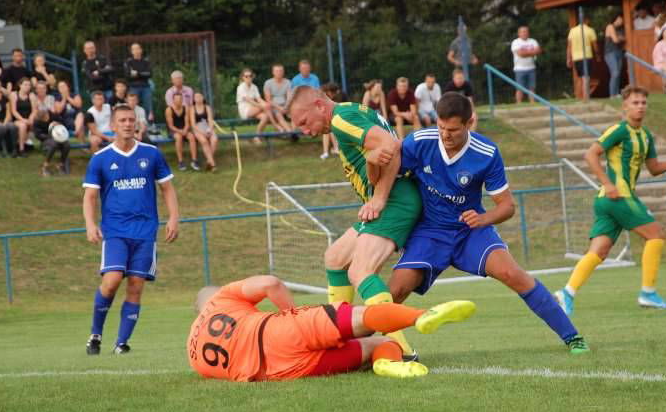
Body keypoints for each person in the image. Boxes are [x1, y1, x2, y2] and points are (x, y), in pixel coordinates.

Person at [389, 93, 588, 354]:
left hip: (470, 232)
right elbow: (388, 173)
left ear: (469, 123)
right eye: (441, 127)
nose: (445, 135)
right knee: (396, 289)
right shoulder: (418, 142)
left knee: (513, 274)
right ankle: (361, 342)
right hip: (430, 232)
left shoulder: (486, 152)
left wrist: (483, 218)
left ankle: (572, 337)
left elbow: (507, 206)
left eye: (453, 130)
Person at [288, 86, 423, 360]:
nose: (305, 130)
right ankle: (336, 339)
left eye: (304, 122)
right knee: (335, 258)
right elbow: (382, 150)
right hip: (394, 197)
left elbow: (391, 146)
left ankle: (401, 350)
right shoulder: (350, 112)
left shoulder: (340, 119)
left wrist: (380, 199)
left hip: (396, 199)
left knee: (360, 271)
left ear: (318, 105)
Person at [555, 85, 666, 314]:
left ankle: (566, 293)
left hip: (610, 201)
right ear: (625, 106)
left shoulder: (646, 135)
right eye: (635, 103)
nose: (640, 107)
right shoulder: (619, 130)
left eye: (643, 103)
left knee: (598, 252)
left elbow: (654, 168)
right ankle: (648, 293)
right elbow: (590, 154)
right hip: (618, 196)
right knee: (656, 234)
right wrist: (608, 184)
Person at [188, 275, 475, 381]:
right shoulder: (223, 296)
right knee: (364, 318)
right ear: (211, 298)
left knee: (371, 346)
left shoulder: (193, 352)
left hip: (278, 371)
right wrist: (293, 315)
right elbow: (269, 284)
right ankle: (420, 316)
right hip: (276, 330)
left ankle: (387, 363)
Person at [83, 104, 179, 356]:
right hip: (115, 231)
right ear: (113, 125)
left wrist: (173, 218)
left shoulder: (152, 154)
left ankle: (121, 343)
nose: (127, 124)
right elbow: (90, 196)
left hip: (145, 231)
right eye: (122, 120)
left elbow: (167, 189)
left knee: (136, 284)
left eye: (131, 119)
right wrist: (91, 224)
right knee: (112, 280)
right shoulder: (101, 159)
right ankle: (95, 335)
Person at [236, 68, 274, 144]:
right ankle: (275, 124)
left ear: (252, 77)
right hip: (245, 110)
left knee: (265, 117)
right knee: (266, 108)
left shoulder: (254, 87)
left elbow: (259, 99)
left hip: (255, 108)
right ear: (243, 77)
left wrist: (266, 104)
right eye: (246, 76)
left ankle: (256, 137)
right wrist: (263, 106)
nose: (248, 78)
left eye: (250, 76)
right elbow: (249, 100)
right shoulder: (240, 87)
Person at [566, 16, 599, 100]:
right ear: (586, 20)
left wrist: (568, 58)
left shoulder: (572, 31)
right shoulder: (590, 30)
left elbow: (569, 46)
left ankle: (578, 95)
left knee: (580, 77)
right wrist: (598, 56)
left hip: (576, 57)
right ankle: (586, 97)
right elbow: (595, 46)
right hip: (587, 56)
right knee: (586, 77)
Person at [166, 91, 197, 170]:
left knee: (191, 137)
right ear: (173, 100)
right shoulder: (169, 110)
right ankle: (181, 161)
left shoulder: (186, 108)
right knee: (178, 137)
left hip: (184, 129)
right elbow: (170, 126)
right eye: (176, 99)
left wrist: (185, 129)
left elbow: (187, 122)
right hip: (173, 130)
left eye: (180, 99)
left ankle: (194, 160)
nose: (178, 101)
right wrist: (180, 131)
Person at [34, 108, 71, 176]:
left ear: (47, 114)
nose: (46, 120)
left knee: (67, 145)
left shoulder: (54, 116)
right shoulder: (37, 121)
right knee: (54, 144)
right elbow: (37, 135)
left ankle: (61, 165)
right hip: (46, 140)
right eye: (43, 119)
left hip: (60, 137)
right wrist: (49, 137)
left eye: (46, 117)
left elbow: (64, 124)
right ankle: (45, 166)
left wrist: (59, 123)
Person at [188, 91, 218, 171]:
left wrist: (210, 130)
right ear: (194, 99)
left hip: (207, 127)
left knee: (214, 140)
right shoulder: (192, 109)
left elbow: (210, 120)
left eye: (200, 96)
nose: (198, 98)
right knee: (204, 141)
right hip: (197, 128)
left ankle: (209, 161)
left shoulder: (207, 107)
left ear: (203, 98)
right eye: (196, 97)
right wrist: (202, 133)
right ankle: (213, 164)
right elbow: (193, 124)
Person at [124, 43, 153, 123]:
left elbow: (149, 74)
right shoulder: (128, 62)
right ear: (132, 51)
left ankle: (147, 125)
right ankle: (132, 123)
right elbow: (128, 75)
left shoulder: (146, 61)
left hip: (145, 87)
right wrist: (142, 74)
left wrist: (137, 73)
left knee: (147, 107)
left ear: (141, 50)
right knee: (132, 106)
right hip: (133, 87)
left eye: (138, 48)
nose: (136, 51)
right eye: (134, 49)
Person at [511, 26, 541, 102]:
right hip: (519, 69)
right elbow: (520, 54)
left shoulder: (533, 41)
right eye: (523, 31)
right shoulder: (515, 42)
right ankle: (518, 104)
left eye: (526, 31)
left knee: (532, 87)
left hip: (531, 68)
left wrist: (526, 52)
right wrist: (531, 52)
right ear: (519, 33)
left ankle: (532, 103)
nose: (525, 33)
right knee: (519, 88)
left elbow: (538, 51)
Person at [10, 77, 36, 157]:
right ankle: (21, 149)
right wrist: (23, 120)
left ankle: (22, 146)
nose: (27, 87)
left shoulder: (31, 95)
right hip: (18, 118)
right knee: (22, 125)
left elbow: (34, 110)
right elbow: (14, 111)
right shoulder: (14, 95)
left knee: (29, 124)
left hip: (28, 118)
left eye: (29, 85)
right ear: (20, 85)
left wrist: (31, 118)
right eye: (25, 85)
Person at [263, 64, 293, 132]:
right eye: (277, 71)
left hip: (285, 106)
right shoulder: (268, 83)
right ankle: (290, 132)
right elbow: (268, 100)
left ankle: (292, 131)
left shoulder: (288, 82)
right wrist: (279, 108)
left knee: (294, 112)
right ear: (273, 72)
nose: (279, 73)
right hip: (274, 107)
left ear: (283, 72)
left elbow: (289, 97)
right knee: (278, 114)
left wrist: (286, 107)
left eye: (281, 71)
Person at [602, 14, 626, 98]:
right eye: (619, 19)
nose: (621, 21)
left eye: (622, 20)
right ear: (615, 19)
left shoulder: (621, 29)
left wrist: (620, 37)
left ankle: (616, 93)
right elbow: (615, 40)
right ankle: (612, 94)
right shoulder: (610, 26)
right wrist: (621, 38)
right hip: (610, 53)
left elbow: (622, 38)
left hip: (619, 52)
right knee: (615, 72)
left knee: (618, 73)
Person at [319, 83, 341, 159]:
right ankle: (327, 152)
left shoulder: (339, 97)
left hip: (336, 120)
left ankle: (334, 149)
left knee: (330, 128)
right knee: (327, 129)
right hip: (325, 120)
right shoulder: (323, 96)